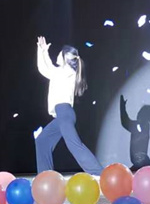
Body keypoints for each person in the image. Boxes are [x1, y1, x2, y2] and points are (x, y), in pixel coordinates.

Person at [34, 37, 102, 175]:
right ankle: (45, 176)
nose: (58, 55)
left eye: (60, 53)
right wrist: (42, 50)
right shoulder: (62, 72)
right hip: (62, 115)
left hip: (64, 112)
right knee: (42, 141)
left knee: (74, 145)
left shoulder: (67, 72)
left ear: (66, 57)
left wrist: (43, 51)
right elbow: (45, 69)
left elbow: (48, 69)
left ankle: (99, 173)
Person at [119, 94, 150, 171]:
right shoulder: (145, 126)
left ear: (141, 114)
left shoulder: (140, 125)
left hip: (140, 160)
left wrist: (122, 107)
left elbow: (125, 122)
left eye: (139, 112)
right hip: (141, 161)